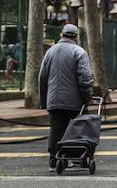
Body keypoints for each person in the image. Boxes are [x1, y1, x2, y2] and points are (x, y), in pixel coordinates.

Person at [38, 23, 94, 169]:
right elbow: (85, 78)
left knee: (56, 129)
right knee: (76, 129)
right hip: (74, 101)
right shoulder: (79, 52)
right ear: (76, 37)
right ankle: (76, 158)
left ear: (61, 35)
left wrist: (44, 102)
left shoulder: (50, 52)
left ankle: (54, 159)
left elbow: (42, 78)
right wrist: (88, 98)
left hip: (54, 100)